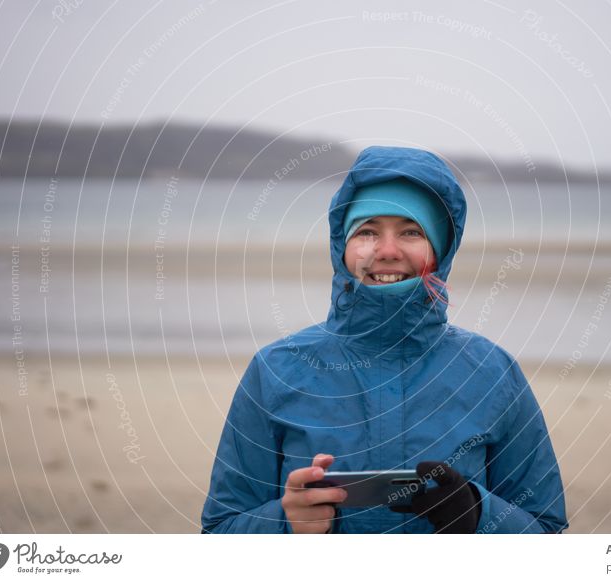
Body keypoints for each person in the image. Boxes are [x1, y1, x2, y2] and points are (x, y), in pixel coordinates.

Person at [201, 146, 568, 534]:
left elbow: (547, 531)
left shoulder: (493, 372)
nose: (388, 251)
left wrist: (481, 515)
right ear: (342, 248)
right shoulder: (276, 369)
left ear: (440, 249)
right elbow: (219, 532)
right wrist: (285, 523)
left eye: (411, 231)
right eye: (368, 231)